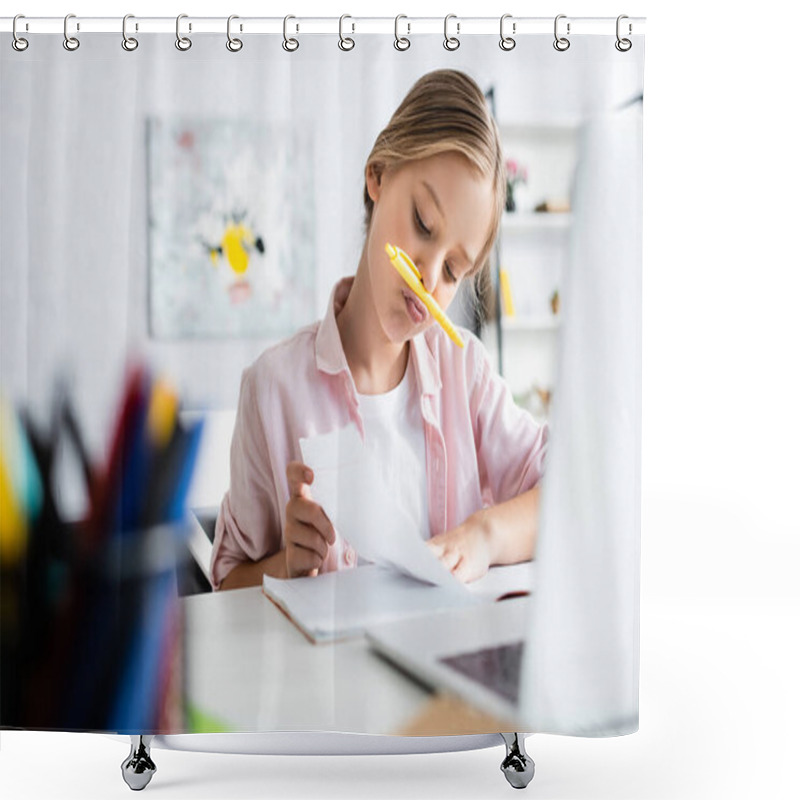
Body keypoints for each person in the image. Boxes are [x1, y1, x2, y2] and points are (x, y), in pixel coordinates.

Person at [210, 68, 548, 591]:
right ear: (378, 175)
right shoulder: (272, 388)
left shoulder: (467, 374)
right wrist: (285, 566)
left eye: (455, 269)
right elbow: (226, 582)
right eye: (422, 224)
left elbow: (567, 490)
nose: (428, 279)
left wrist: (486, 533)